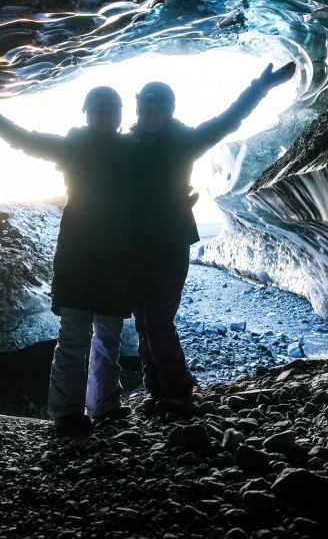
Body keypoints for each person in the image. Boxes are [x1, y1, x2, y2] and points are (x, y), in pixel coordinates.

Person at [0, 79, 133, 435]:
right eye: (100, 110)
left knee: (107, 333)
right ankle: (67, 413)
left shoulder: (127, 149)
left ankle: (104, 404)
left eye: (111, 110)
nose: (105, 116)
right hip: (84, 253)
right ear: (89, 115)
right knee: (78, 333)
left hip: (110, 254)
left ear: (119, 116)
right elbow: (24, 139)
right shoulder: (76, 147)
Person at [129, 61, 297, 414]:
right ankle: (156, 389)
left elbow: (227, 120)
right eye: (145, 107)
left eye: (157, 108)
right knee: (143, 321)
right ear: (138, 108)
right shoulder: (128, 144)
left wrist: (259, 88)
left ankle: (178, 389)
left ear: (168, 111)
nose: (150, 114)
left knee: (158, 320)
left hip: (169, 243)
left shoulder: (183, 141)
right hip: (134, 246)